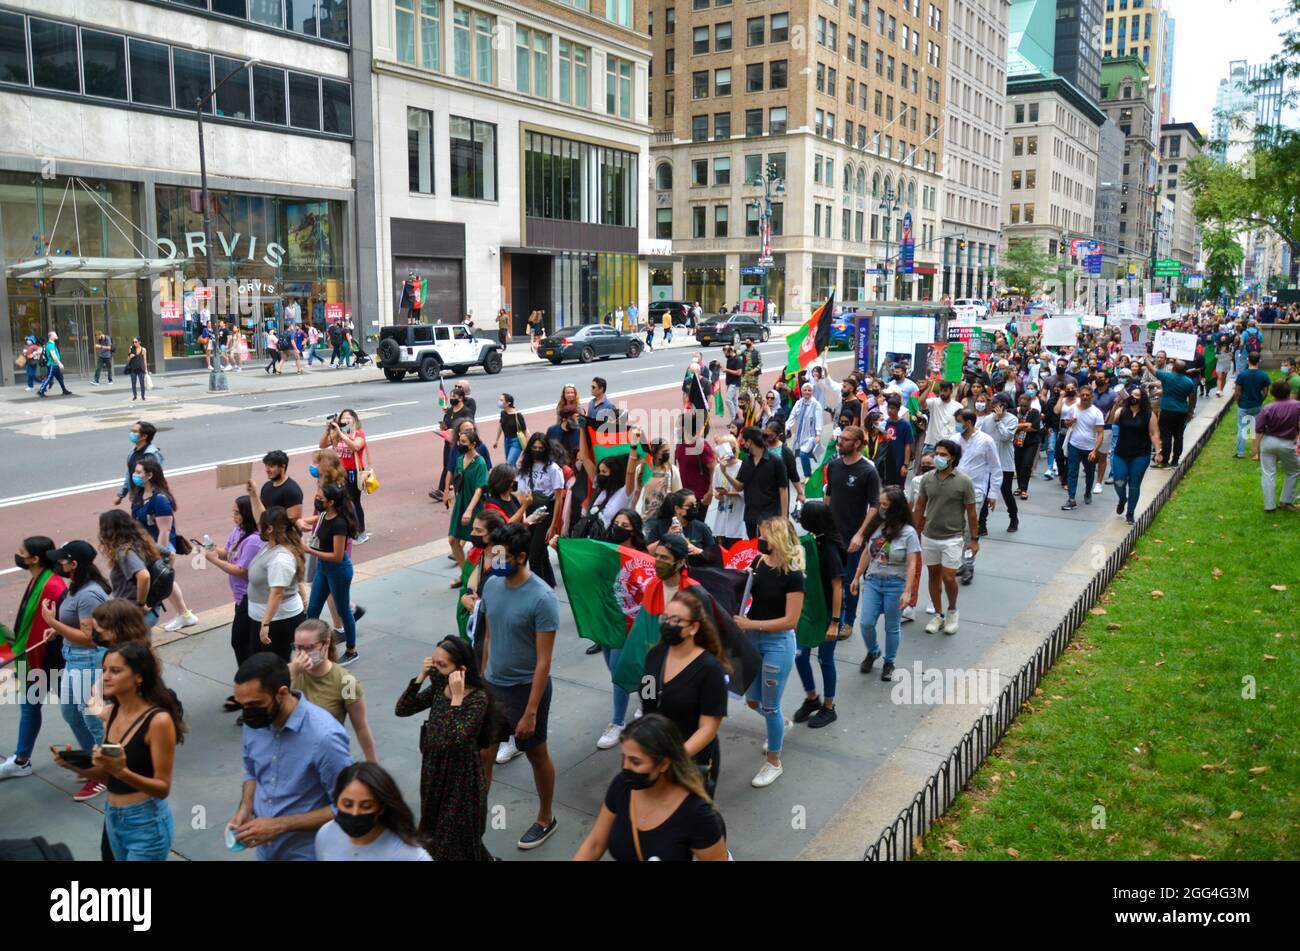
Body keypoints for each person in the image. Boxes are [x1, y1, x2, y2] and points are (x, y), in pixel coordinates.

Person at [52, 642, 185, 861]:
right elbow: (109, 777)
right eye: (104, 670)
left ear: (139, 676)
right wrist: (74, 765)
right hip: (113, 817)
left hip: (145, 823)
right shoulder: (112, 713)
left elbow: (162, 788)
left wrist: (121, 771)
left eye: (115, 670)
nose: (105, 676)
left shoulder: (158, 721)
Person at [480, 523, 562, 848]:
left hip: (527, 690)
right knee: (484, 754)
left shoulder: (542, 598)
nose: (493, 559)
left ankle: (546, 818)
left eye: (500, 554)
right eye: (492, 552)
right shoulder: (491, 586)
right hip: (492, 687)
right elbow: (487, 636)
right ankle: (475, 818)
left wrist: (530, 712)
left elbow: (544, 661)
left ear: (522, 556)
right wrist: (481, 681)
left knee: (536, 754)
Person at [229, 653, 353, 860]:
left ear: (282, 693)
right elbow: (252, 772)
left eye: (254, 704)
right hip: (266, 850)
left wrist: (280, 825)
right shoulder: (255, 724)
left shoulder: (325, 737)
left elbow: (346, 808)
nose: (248, 713)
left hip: (309, 853)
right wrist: (245, 808)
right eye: (242, 705)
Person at [573, 714, 727, 862]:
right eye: (623, 758)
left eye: (636, 762)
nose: (625, 767)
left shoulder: (695, 812)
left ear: (664, 764)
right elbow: (595, 845)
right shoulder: (622, 786)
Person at [394, 636, 495, 861]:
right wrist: (420, 677)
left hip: (460, 778)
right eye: (434, 663)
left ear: (460, 669)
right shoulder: (440, 687)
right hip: (434, 771)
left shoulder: (477, 699)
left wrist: (456, 698)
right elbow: (403, 709)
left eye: (442, 665)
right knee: (432, 831)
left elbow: (455, 738)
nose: (436, 670)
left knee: (456, 839)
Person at [733, 517, 805, 788]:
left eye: (763, 535)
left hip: (778, 643)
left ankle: (774, 762)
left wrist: (750, 624)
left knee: (770, 705)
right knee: (753, 701)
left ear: (776, 538)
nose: (759, 539)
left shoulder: (794, 575)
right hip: (752, 640)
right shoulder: (758, 562)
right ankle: (781, 724)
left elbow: (790, 621)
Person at [37, 540, 110, 801]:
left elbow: (90, 638)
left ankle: (106, 771)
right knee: (71, 713)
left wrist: (53, 622)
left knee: (93, 719)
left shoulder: (89, 593)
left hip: (88, 661)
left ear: (74, 564)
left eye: (62, 560)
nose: (58, 564)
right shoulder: (76, 587)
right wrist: (56, 630)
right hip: (74, 659)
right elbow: (76, 627)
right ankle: (94, 761)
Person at [640, 589, 730, 795]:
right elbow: (648, 703)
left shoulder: (710, 670)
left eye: (677, 620)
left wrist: (672, 761)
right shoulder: (654, 656)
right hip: (654, 756)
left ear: (693, 627)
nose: (668, 624)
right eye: (665, 618)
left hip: (690, 763)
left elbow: (708, 729)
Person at [0, 537, 66, 781]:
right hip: (36, 659)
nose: (18, 556)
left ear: (35, 559)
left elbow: (56, 625)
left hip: (47, 661)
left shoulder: (52, 586)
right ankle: (21, 760)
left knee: (78, 712)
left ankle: (106, 759)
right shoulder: (40, 580)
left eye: (22, 552)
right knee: (31, 708)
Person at [851, 486, 922, 681]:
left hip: (895, 584)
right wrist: (857, 576)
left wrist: (907, 591)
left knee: (892, 626)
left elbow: (912, 564)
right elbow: (867, 552)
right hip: (873, 581)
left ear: (896, 507)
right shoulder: (877, 526)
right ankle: (873, 651)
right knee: (865, 623)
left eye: (885, 505)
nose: (880, 508)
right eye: (880, 504)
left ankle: (889, 661)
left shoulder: (908, 533)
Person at [203, 495, 266, 712]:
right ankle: (249, 688)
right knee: (242, 643)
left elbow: (241, 569)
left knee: (242, 643)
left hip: (251, 598)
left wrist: (214, 561)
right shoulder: (238, 532)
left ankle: (251, 691)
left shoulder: (254, 540)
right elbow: (229, 553)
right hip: (240, 598)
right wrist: (212, 550)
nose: (234, 516)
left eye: (237, 512)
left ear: (247, 514)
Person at [912, 440, 979, 636]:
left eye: (943, 454)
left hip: (952, 537)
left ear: (953, 458)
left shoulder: (964, 481)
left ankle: (952, 610)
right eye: (937, 453)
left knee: (948, 577)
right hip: (929, 535)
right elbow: (920, 507)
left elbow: (972, 513)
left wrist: (974, 539)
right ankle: (939, 614)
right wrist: (912, 532)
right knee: (933, 576)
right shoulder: (927, 479)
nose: (938, 457)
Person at [290, 620, 377, 762]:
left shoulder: (346, 681)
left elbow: (361, 728)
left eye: (310, 648)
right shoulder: (289, 673)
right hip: (296, 755)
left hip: (329, 756)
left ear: (326, 644)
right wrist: (292, 676)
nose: (303, 654)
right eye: (299, 648)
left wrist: (372, 765)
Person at [791, 502, 846, 728]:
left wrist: (834, 623)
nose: (799, 519)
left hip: (828, 614)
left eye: (803, 516)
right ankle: (812, 698)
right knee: (800, 655)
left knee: (825, 659)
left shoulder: (830, 549)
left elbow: (837, 587)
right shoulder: (811, 543)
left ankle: (829, 707)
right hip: (810, 610)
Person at [130, 457, 199, 632]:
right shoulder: (138, 496)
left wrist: (157, 556)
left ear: (150, 475)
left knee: (163, 581)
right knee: (165, 582)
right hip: (146, 547)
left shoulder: (159, 499)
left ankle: (183, 614)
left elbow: (165, 531)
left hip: (161, 548)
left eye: (139, 472)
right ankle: (184, 614)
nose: (134, 475)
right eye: (135, 472)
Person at [315, 763, 431, 861]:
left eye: (366, 806)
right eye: (347, 804)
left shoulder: (411, 856)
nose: (355, 813)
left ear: (381, 808)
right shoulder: (325, 835)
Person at [830, 426, 882, 639]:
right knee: (831, 577)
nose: (840, 442)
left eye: (845, 440)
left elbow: (875, 506)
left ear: (857, 443)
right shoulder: (833, 465)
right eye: (840, 438)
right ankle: (831, 615)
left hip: (853, 535)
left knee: (851, 579)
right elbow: (828, 495)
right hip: (831, 533)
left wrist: (861, 534)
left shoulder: (868, 471)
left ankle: (848, 621)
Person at [305, 484, 360, 665]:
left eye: (320, 498)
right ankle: (308, 643)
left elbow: (337, 556)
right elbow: (309, 520)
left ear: (330, 502)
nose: (317, 500)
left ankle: (351, 650)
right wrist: (295, 521)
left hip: (338, 571)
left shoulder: (339, 523)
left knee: (343, 610)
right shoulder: (323, 515)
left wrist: (310, 550)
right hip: (324, 569)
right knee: (313, 609)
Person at [246, 507, 308, 663]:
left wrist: (265, 624)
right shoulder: (271, 546)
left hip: (278, 622)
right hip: (267, 619)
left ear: (270, 528)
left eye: (261, 524)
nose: (258, 527)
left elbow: (277, 593)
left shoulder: (280, 558)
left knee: (275, 665)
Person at [1108, 383, 1162, 524]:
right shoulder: (1122, 411)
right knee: (1118, 481)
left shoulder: (1149, 414)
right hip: (1121, 453)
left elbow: (1154, 433)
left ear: (1143, 398)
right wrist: (1116, 405)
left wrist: (1158, 451)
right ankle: (1122, 499)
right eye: (1132, 394)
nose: (1134, 397)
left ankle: (1130, 512)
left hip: (1140, 454)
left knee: (1134, 484)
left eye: (1137, 395)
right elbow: (1110, 421)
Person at [517, 432, 566, 587]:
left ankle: (538, 589)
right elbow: (522, 491)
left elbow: (559, 498)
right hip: (532, 509)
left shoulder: (553, 469)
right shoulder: (526, 466)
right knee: (540, 551)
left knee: (534, 555)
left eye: (540, 447)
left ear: (546, 449)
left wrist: (553, 526)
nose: (537, 450)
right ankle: (549, 583)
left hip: (547, 511)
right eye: (534, 447)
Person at [726, 426, 788, 539]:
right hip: (751, 514)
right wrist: (725, 472)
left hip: (769, 515)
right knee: (753, 549)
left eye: (743, 440)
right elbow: (740, 486)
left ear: (749, 441)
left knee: (767, 549)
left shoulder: (776, 462)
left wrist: (784, 518)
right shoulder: (746, 461)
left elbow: (783, 490)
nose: (742, 443)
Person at [322, 409, 370, 544]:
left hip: (354, 472)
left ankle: (361, 533)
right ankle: (348, 530)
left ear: (355, 420)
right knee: (340, 502)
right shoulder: (336, 434)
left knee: (354, 502)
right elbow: (322, 445)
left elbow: (355, 447)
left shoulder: (359, 434)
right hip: (339, 473)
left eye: (349, 418)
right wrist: (328, 431)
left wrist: (342, 434)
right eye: (343, 418)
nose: (346, 420)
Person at [1253, 380, 1300, 513]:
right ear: (1288, 392)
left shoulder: (1268, 407)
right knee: (1294, 470)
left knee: (1268, 473)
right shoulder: (1297, 406)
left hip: (1268, 442)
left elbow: (1258, 428)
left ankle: (1269, 506)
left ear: (1273, 393)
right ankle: (1286, 501)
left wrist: (1255, 448)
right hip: (1287, 443)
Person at [447, 429, 488, 579]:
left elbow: (479, 489)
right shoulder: (459, 460)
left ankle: (485, 574)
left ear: (473, 445)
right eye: (459, 441)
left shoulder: (480, 463)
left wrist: (469, 510)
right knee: (453, 539)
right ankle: (467, 575)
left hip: (475, 505)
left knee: (479, 542)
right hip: (461, 503)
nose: (460, 444)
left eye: (464, 442)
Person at [1059, 385, 1105, 512]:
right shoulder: (1073, 408)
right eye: (1083, 395)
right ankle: (1071, 498)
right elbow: (1066, 423)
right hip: (1074, 445)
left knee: (1089, 473)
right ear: (1079, 395)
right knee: (1072, 472)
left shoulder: (1097, 413)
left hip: (1089, 448)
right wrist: (1071, 422)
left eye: (1087, 395)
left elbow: (1100, 433)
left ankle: (1088, 492)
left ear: (1092, 396)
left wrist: (1095, 450)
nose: (1085, 397)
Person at [980, 396, 1020, 533]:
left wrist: (998, 420)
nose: (993, 405)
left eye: (996, 403)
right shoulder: (986, 419)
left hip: (1004, 463)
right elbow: (982, 438)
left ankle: (1013, 518)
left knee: (1006, 492)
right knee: (985, 492)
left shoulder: (1012, 419)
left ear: (1004, 405)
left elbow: (1005, 437)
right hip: (988, 463)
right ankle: (982, 524)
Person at [1149, 357, 1197, 468]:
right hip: (1181, 411)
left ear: (1173, 368)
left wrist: (1146, 358)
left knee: (1166, 436)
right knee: (1179, 436)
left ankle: (1164, 461)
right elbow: (1192, 397)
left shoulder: (1167, 377)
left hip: (1167, 411)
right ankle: (1175, 460)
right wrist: (1190, 411)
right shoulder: (1188, 382)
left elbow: (1152, 370)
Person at [707, 435, 746, 548]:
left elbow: (744, 492)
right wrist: (719, 494)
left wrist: (728, 493)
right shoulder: (718, 468)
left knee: (736, 548)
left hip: (738, 516)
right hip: (722, 518)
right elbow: (716, 492)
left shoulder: (742, 466)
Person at [113, 420, 162, 509]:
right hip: (136, 497)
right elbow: (129, 474)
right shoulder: (133, 451)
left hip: (149, 498)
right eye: (131, 431)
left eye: (135, 432)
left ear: (144, 436)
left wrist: (152, 497)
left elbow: (157, 478)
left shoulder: (151, 454)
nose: (131, 434)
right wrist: (121, 495)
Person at [1233, 351, 1272, 460]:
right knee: (1256, 428)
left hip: (1244, 405)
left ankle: (1240, 452)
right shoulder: (1263, 375)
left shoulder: (1242, 375)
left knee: (1241, 427)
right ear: (1259, 361)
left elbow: (1237, 392)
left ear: (1247, 360)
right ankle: (1255, 451)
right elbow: (1265, 391)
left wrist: (1238, 402)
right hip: (1256, 404)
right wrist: (1260, 400)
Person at [248, 449, 304, 522]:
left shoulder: (292, 491)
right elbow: (262, 514)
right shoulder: (266, 486)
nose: (267, 470)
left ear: (282, 467)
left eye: (271, 466)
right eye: (266, 466)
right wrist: (253, 494)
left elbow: (294, 522)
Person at [786, 382, 825, 478]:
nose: (807, 392)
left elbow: (819, 420)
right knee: (796, 454)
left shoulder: (816, 405)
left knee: (803, 454)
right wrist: (787, 427)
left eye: (809, 390)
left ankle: (808, 475)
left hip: (810, 435)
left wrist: (818, 434)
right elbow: (792, 415)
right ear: (802, 391)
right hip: (799, 435)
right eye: (805, 390)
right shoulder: (799, 403)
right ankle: (798, 474)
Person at [1012, 391, 1043, 499]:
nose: (1023, 407)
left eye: (1025, 405)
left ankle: (1024, 489)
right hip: (1017, 443)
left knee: (1026, 465)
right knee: (1018, 465)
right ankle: (1019, 487)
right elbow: (1011, 426)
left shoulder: (1034, 412)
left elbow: (1034, 427)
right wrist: (1025, 425)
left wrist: (1018, 426)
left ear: (1030, 403)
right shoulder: (1014, 412)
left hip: (1031, 443)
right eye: (1021, 405)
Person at [879, 397, 914, 488]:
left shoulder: (905, 425)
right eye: (888, 408)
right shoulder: (885, 423)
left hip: (899, 462)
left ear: (898, 409)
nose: (890, 410)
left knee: (898, 489)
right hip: (887, 462)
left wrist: (905, 465)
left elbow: (908, 445)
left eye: (893, 408)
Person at [37, 330, 73, 397]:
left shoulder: (52, 344)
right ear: (50, 336)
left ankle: (64, 390)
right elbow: (53, 356)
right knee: (49, 378)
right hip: (52, 365)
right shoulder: (50, 345)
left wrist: (58, 364)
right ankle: (41, 391)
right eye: (55, 334)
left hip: (55, 365)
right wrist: (59, 363)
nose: (56, 335)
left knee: (60, 377)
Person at [494, 393, 527, 466]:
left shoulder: (518, 415)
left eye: (501, 400)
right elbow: (501, 426)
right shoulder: (503, 413)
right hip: (506, 441)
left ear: (508, 403)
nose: (499, 402)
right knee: (511, 464)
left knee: (509, 464)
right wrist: (496, 440)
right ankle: (515, 476)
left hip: (516, 442)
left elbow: (525, 431)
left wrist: (528, 445)